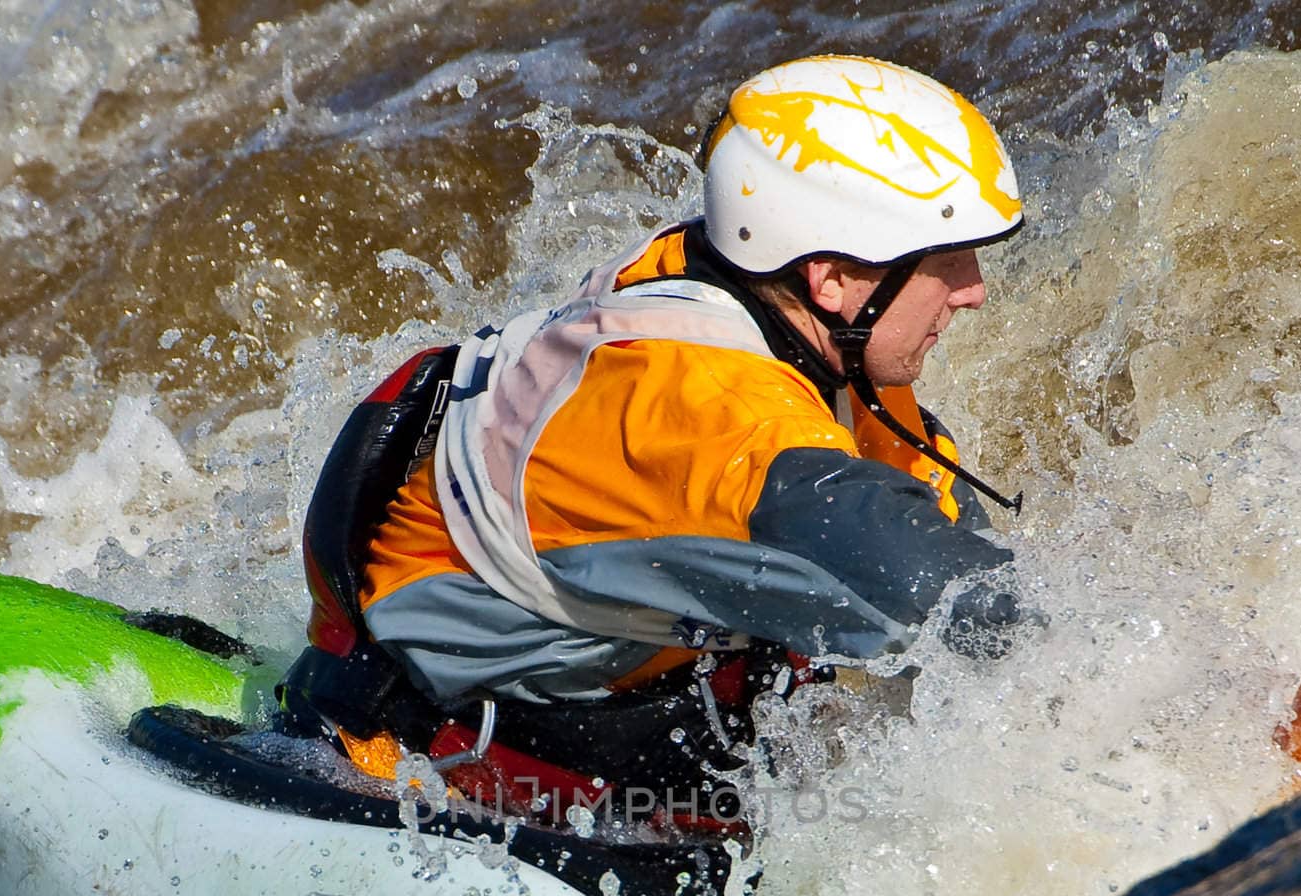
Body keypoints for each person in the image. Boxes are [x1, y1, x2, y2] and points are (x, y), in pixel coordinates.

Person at [279, 54, 1026, 830]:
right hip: (417, 753)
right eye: (948, 262)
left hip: (603, 668)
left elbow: (935, 527)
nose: (972, 290)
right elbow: (894, 557)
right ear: (831, 277)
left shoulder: (761, 297)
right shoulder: (708, 408)